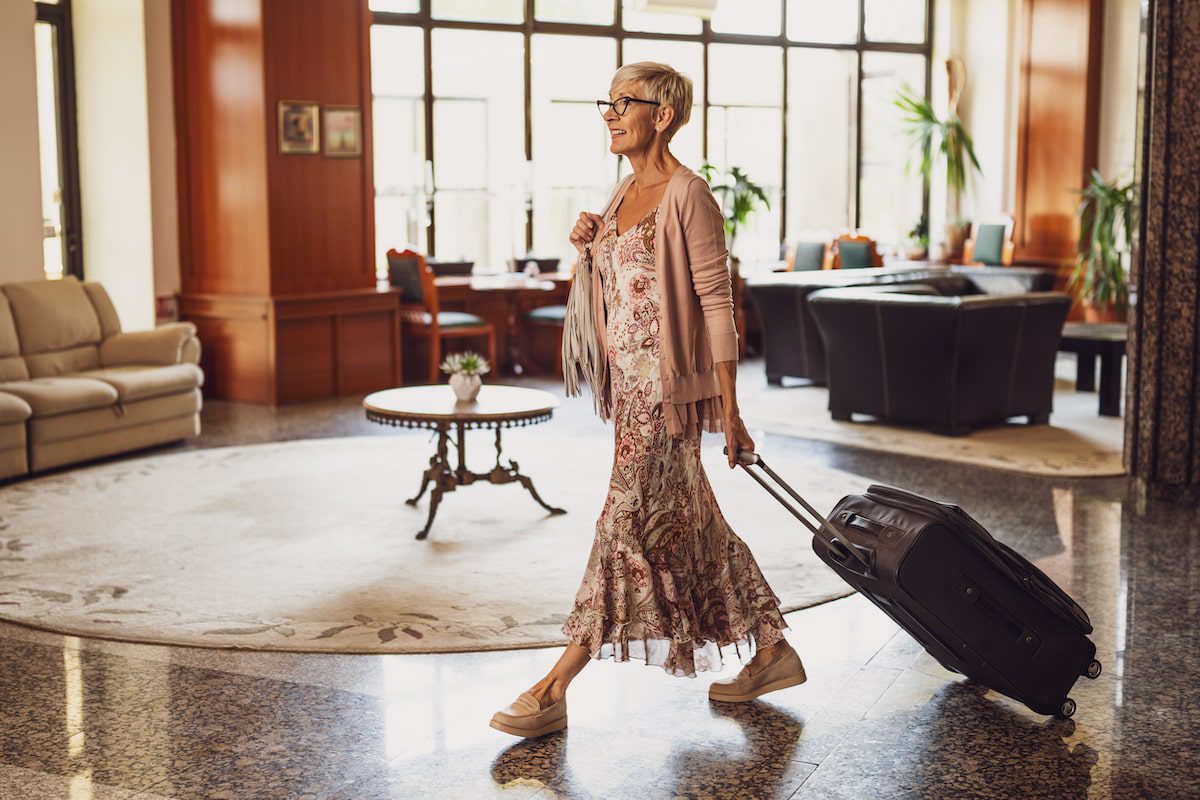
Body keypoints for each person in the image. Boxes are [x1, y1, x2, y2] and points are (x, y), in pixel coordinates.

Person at [490, 62, 805, 740]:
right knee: (692, 526)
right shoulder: (622, 191)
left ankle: (554, 687)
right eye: (604, 102)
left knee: (624, 525)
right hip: (629, 396)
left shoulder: (689, 195)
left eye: (622, 103)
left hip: (669, 399)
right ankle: (773, 651)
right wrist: (588, 245)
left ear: (661, 115)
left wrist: (732, 414)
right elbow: (617, 286)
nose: (609, 114)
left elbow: (718, 305)